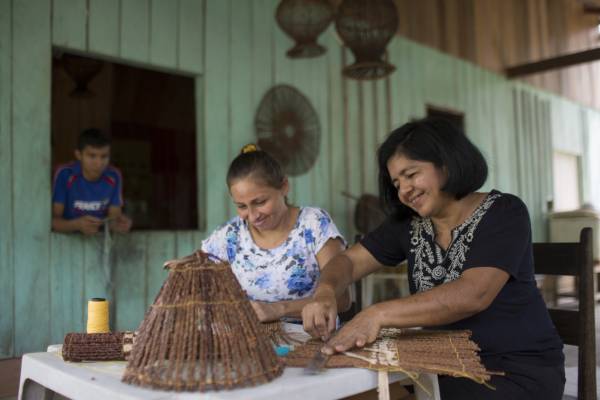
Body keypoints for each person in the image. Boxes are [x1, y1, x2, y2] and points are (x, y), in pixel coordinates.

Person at [302, 117, 565, 399]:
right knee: (349, 393)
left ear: (446, 164)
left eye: (411, 174)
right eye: (396, 182)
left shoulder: (503, 212)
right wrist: (326, 291)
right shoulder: (409, 223)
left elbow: (473, 294)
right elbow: (349, 261)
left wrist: (377, 314)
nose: (404, 190)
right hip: (442, 367)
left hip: (513, 371)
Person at [186, 144, 350, 322]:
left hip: (311, 339)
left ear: (284, 187)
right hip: (248, 343)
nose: (253, 216)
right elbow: (199, 280)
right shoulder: (229, 235)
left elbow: (342, 300)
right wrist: (184, 270)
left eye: (260, 202)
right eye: (241, 206)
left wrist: (278, 309)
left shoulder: (314, 224)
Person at [52, 128, 132, 235]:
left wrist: (120, 225)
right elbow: (53, 221)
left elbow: (113, 218)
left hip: (98, 243)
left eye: (104, 156)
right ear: (78, 155)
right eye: (92, 156)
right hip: (64, 243)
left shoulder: (113, 176)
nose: (99, 163)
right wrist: (77, 225)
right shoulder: (65, 174)